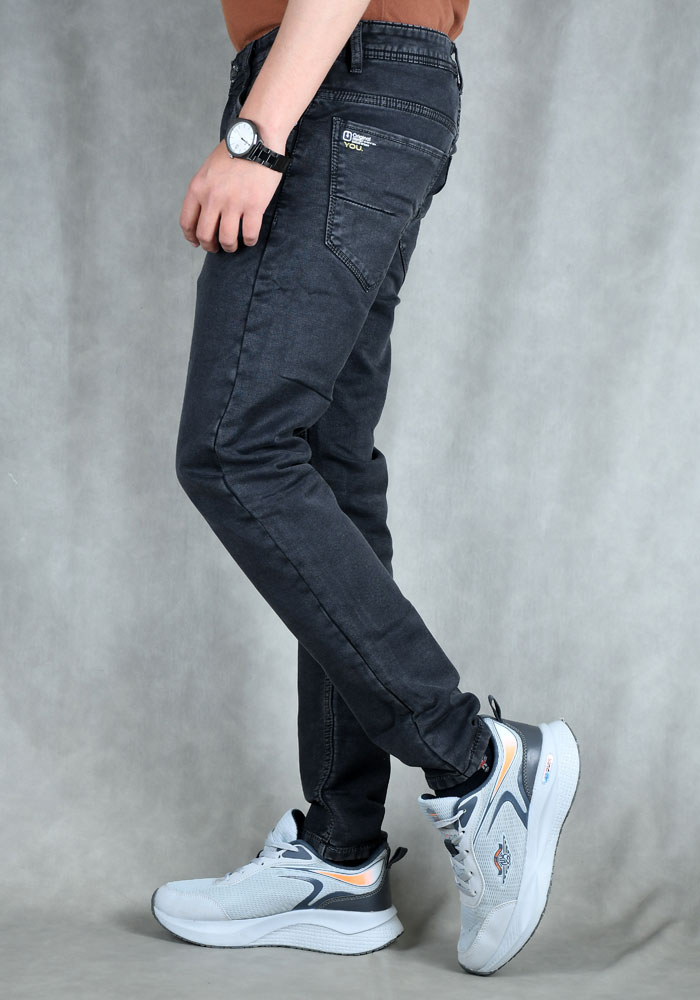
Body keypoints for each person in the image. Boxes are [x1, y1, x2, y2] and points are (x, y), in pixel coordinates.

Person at [150, 0, 580, 975]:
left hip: (330, 80)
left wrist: (257, 135)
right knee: (326, 471)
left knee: (236, 449)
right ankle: (340, 855)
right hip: (368, 82)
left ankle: (475, 761)